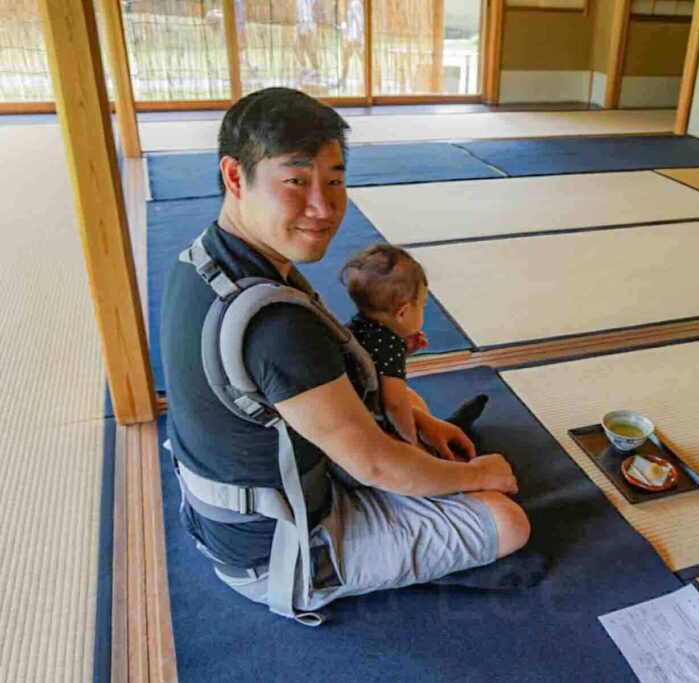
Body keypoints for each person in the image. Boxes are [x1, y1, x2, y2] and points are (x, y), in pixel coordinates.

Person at [160, 87, 530, 623]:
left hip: (236, 508)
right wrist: (478, 476)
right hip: (276, 550)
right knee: (507, 521)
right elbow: (375, 463)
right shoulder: (276, 326)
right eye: (296, 181)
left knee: (403, 397)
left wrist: (421, 422)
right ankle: (333, 572)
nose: (323, 206)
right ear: (236, 177)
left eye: (334, 180)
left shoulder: (204, 260)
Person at [340, 244, 489, 449]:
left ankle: (440, 430)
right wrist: (411, 442)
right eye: (423, 305)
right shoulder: (388, 344)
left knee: (406, 397)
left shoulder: (357, 326)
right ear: (403, 313)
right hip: (370, 428)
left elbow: (372, 368)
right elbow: (394, 403)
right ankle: (434, 444)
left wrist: (403, 353)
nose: (423, 311)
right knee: (409, 398)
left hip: (354, 409)